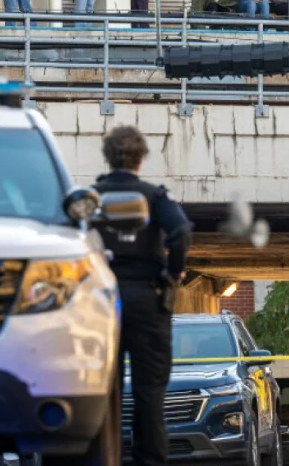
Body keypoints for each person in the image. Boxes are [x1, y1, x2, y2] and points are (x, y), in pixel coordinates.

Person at [94, 126, 192, 466]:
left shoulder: (92, 197)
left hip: (101, 301)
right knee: (149, 391)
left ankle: (104, 457)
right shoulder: (154, 196)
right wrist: (173, 275)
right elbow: (180, 232)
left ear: (108, 157)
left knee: (101, 389)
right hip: (148, 299)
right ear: (141, 158)